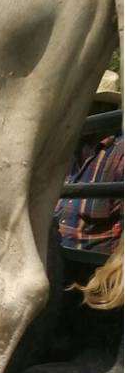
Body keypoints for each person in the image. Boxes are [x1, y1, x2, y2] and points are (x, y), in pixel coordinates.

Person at [56, 69, 123, 257]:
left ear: (103, 108)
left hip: (93, 271)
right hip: (56, 260)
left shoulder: (120, 154)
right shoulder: (67, 149)